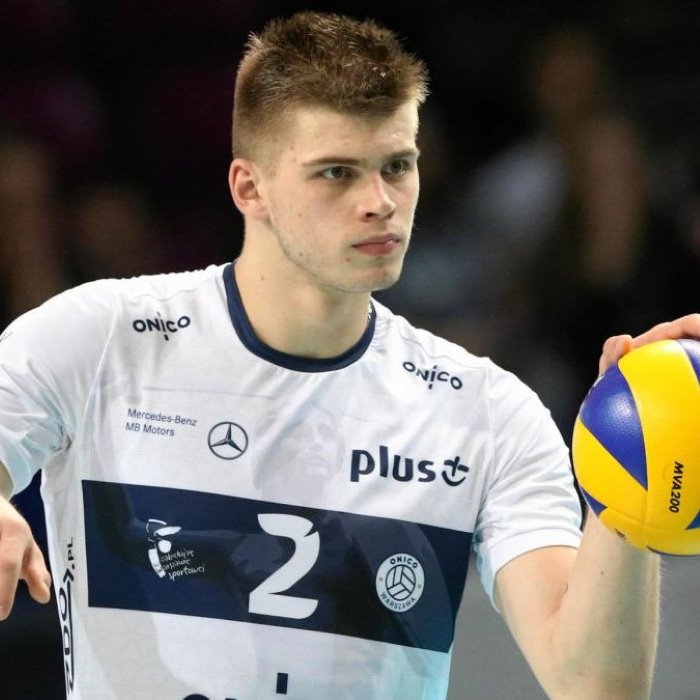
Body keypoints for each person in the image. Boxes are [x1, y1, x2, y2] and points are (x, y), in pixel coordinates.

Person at [0, 11, 695, 699]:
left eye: (398, 166)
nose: (379, 202)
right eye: (337, 172)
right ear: (250, 188)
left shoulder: (488, 412)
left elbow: (594, 684)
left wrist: (633, 468)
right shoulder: (99, 341)